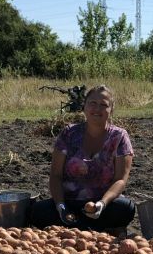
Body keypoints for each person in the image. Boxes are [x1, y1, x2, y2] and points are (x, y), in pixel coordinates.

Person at [30, 85, 136, 232]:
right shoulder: (69, 133)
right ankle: (86, 226)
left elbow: (120, 180)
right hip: (69, 204)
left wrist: (102, 204)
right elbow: (55, 175)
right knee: (37, 211)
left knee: (126, 208)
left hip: (104, 205)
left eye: (103, 105)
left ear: (111, 109)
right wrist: (61, 206)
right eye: (92, 103)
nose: (97, 109)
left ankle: (76, 227)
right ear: (84, 107)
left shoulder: (119, 137)